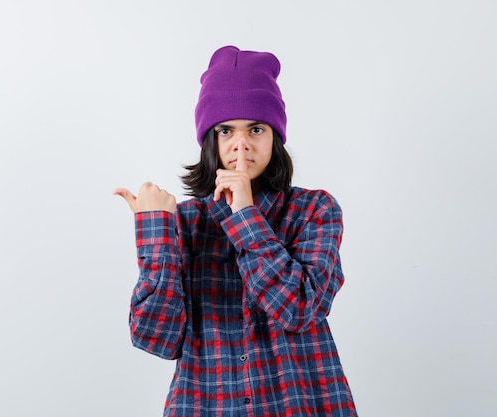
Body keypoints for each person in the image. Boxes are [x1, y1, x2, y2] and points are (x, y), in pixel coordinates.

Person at [114, 45, 357, 416]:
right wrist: (157, 232)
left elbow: (298, 308)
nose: (241, 144)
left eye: (255, 129)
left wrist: (244, 213)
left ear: (275, 137)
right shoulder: (186, 222)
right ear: (211, 140)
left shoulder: (314, 210)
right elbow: (156, 339)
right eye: (226, 130)